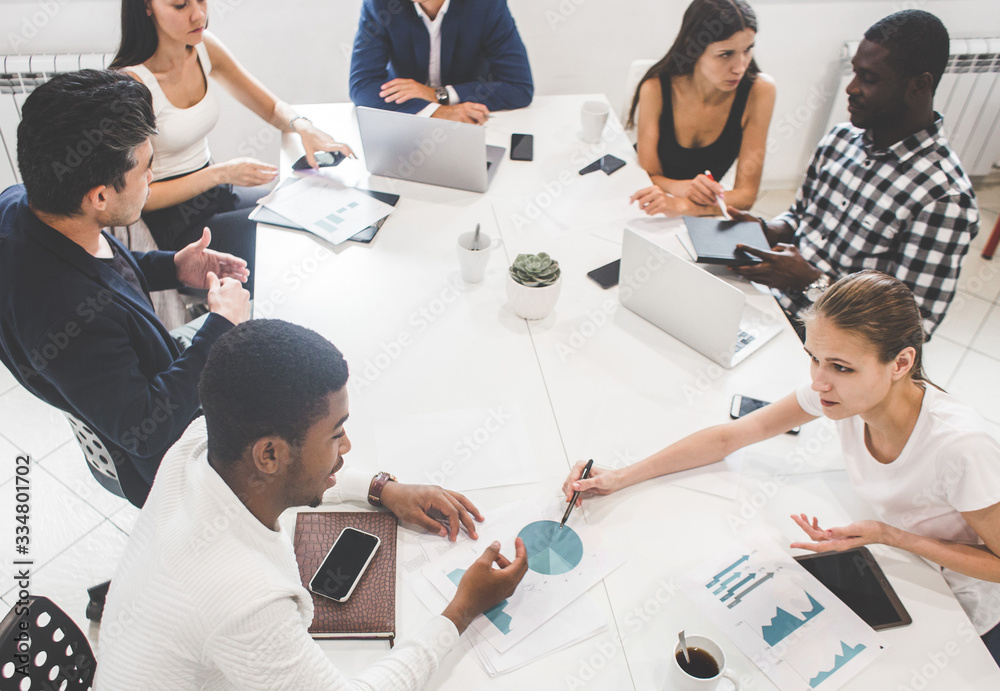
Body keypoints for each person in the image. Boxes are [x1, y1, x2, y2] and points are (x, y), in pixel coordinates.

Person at [562, 271, 1000, 666]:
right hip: (898, 564)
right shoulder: (843, 393)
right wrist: (622, 476)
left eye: (841, 367)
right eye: (814, 358)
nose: (818, 382)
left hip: (959, 606)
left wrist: (891, 535)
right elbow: (731, 436)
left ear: (901, 363)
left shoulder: (961, 446)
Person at [95, 319, 528, 689]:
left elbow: (287, 481)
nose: (348, 445)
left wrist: (382, 489)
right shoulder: (245, 601)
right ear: (269, 455)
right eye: (336, 434)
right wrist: (461, 609)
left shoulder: (198, 444)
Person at [0, 69, 250, 508]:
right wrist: (220, 326)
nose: (152, 178)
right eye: (147, 169)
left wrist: (174, 267)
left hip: (136, 380)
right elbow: (147, 429)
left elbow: (104, 265)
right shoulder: (70, 315)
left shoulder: (22, 203)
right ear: (99, 196)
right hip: (163, 457)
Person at [727, 9, 978, 338]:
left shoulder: (944, 198)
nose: (852, 88)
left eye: (869, 79)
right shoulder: (840, 139)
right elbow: (802, 218)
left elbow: (912, 329)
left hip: (832, 344)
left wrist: (810, 282)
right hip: (770, 307)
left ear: (919, 85)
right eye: (855, 73)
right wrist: (766, 230)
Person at [111, 0, 355, 295]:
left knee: (312, 205)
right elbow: (140, 198)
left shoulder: (203, 47)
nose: (198, 14)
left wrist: (302, 125)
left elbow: (266, 104)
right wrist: (221, 173)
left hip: (217, 194)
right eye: (179, 5)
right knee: (290, 239)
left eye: (201, 0)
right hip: (180, 224)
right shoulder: (132, 84)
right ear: (146, 8)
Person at [629, 0, 776, 218]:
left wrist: (684, 205)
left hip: (693, 207)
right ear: (693, 47)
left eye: (747, 50)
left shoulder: (759, 92)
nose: (740, 67)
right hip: (647, 195)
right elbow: (650, 174)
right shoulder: (656, 88)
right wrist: (684, 189)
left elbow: (746, 196)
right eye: (725, 54)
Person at [349, 0, 533, 125]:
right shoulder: (380, 4)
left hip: (470, 121)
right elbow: (362, 86)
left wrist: (437, 94)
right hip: (408, 119)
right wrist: (438, 112)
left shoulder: (486, 5)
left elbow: (519, 87)